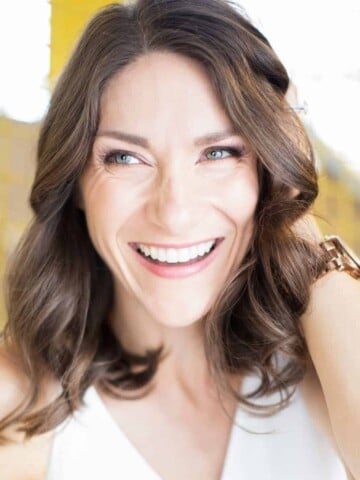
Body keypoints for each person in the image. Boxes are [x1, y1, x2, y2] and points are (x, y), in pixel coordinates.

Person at [0, 0, 359, 478]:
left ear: (266, 172)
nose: (173, 212)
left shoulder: (327, 362)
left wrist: (296, 227)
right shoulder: (19, 402)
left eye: (218, 151)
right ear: (76, 182)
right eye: (126, 158)